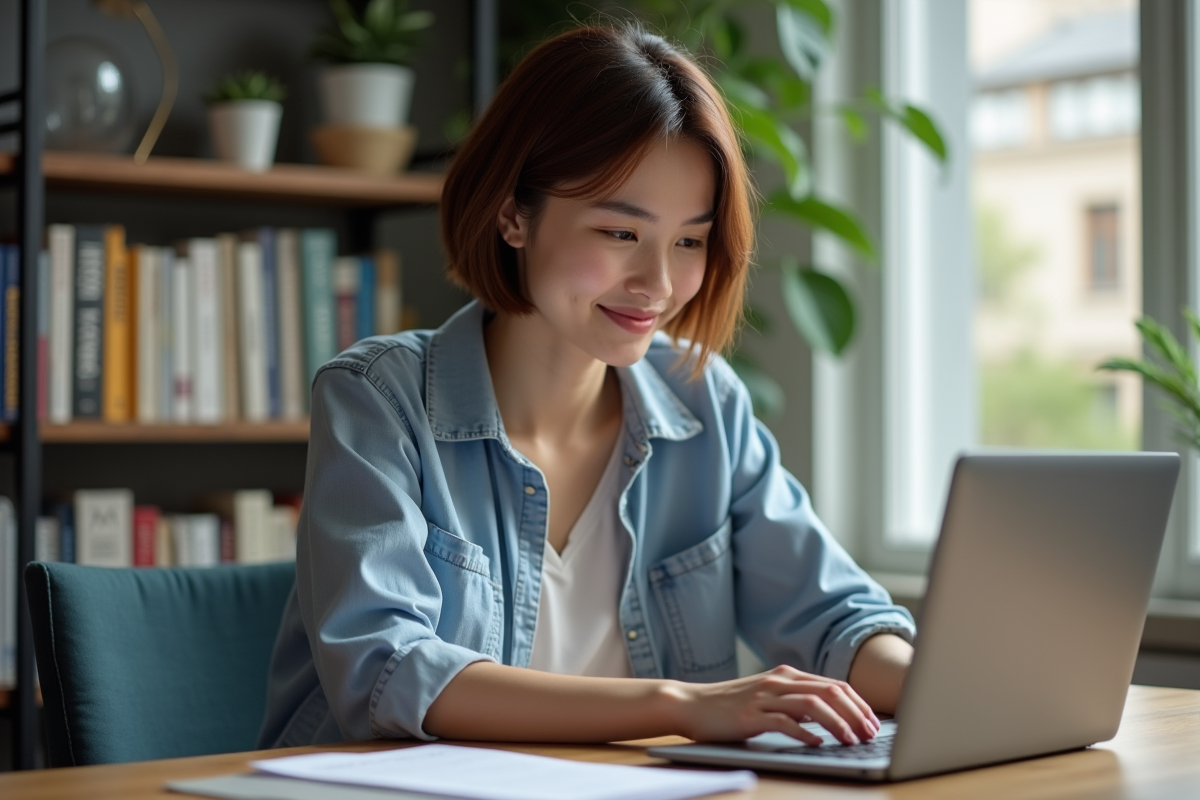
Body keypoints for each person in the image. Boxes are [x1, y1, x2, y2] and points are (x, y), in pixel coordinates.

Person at [258, 23, 916, 751]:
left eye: (689, 241)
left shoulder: (704, 402)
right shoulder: (379, 399)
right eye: (619, 233)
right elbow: (389, 669)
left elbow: (834, 617)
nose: (658, 285)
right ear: (514, 213)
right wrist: (680, 706)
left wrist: (958, 690)